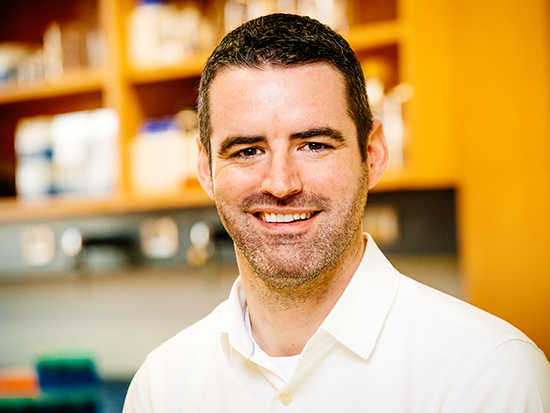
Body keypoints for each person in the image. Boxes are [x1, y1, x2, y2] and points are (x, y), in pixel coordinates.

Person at [123, 13, 550, 412]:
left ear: (373, 153)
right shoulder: (160, 389)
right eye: (248, 150)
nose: (281, 183)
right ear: (205, 169)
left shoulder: (487, 376)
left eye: (314, 145)